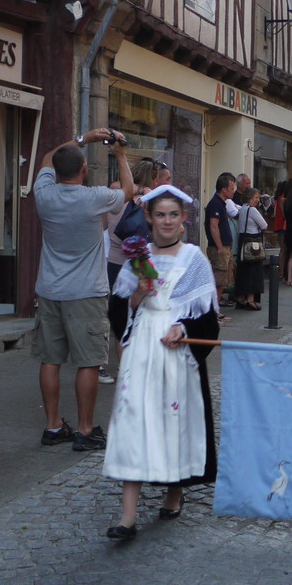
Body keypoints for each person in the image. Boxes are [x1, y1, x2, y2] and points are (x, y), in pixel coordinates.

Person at [102, 185, 220, 539]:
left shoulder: (194, 259)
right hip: (142, 349)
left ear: (183, 219)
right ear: (149, 219)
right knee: (133, 420)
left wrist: (182, 327)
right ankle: (127, 516)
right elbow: (118, 311)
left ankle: (174, 489)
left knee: (175, 422)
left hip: (176, 355)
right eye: (160, 215)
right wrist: (137, 293)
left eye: (173, 214)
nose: (166, 221)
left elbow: (209, 318)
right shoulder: (138, 258)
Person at [33, 128, 134, 451]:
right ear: (84, 170)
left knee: (50, 359)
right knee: (88, 362)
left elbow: (49, 157)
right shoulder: (94, 198)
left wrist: (83, 138)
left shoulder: (44, 193)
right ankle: (86, 430)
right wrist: (118, 154)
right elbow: (129, 192)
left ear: (56, 172)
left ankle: (52, 426)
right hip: (86, 292)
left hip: (49, 289)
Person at [105, 158, 170, 383]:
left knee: (120, 317)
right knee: (143, 315)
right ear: (151, 178)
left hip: (113, 261)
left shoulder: (115, 193)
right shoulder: (148, 199)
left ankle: (124, 369)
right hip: (138, 264)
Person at [205, 172, 237, 322]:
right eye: (231, 187)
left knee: (223, 280)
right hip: (220, 247)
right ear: (224, 189)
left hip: (225, 246)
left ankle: (215, 309)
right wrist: (219, 246)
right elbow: (213, 226)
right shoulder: (215, 204)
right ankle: (213, 311)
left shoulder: (221, 203)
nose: (234, 190)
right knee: (218, 279)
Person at [232, 185, 267, 311]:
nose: (258, 200)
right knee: (253, 271)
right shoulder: (252, 210)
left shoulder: (243, 209)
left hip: (243, 241)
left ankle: (241, 297)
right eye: (256, 197)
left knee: (244, 271)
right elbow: (264, 225)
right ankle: (251, 300)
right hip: (253, 242)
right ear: (249, 198)